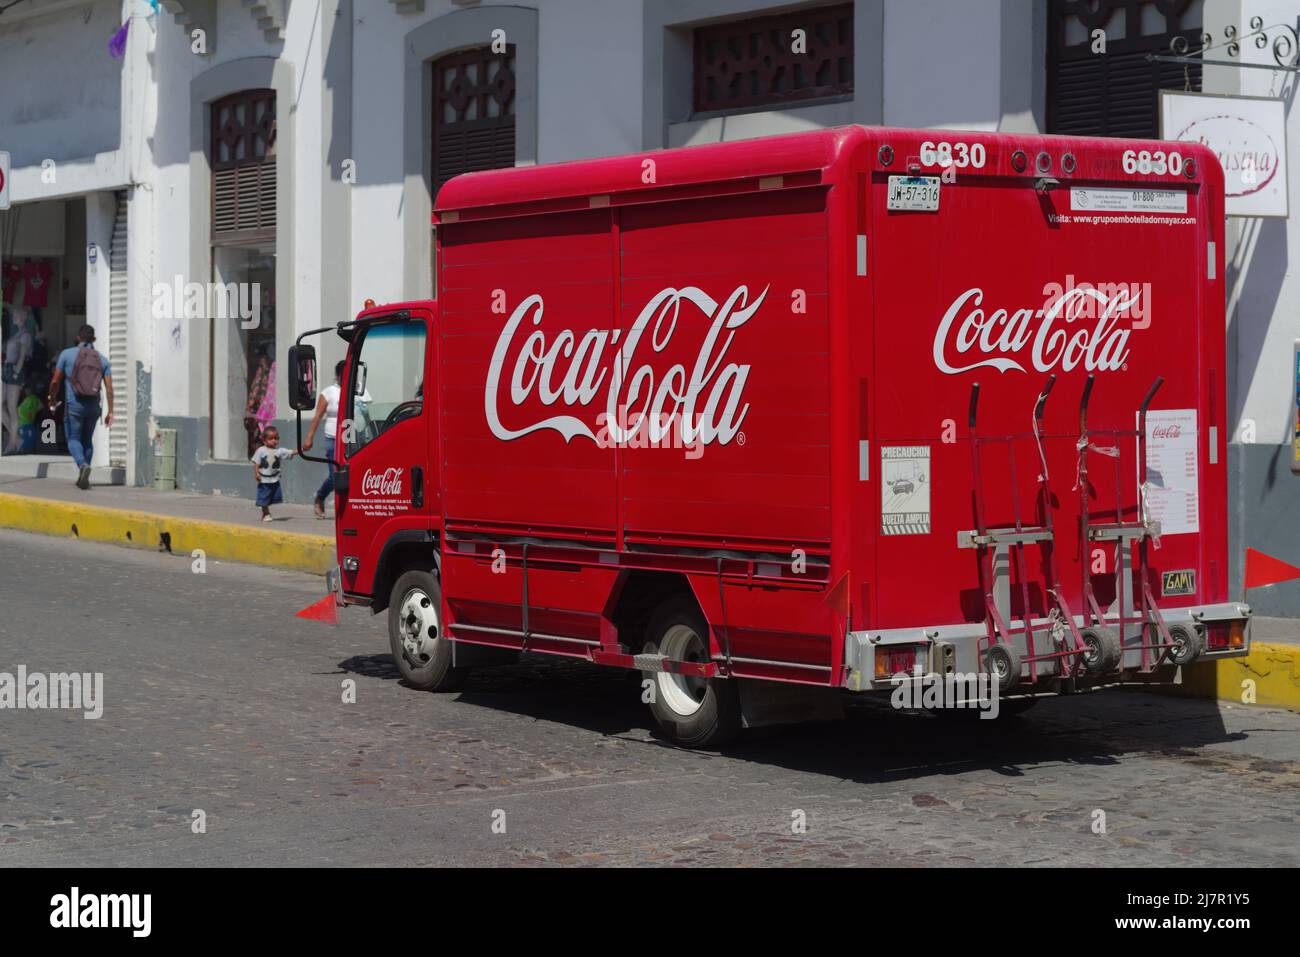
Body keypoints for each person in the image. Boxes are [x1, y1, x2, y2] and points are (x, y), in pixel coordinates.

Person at [47, 324, 114, 489]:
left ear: (78, 338)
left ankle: (83, 465)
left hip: (74, 405)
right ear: (95, 340)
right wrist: (110, 411)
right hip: (93, 407)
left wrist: (52, 398)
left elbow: (55, 380)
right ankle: (84, 477)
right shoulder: (102, 359)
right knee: (87, 440)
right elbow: (109, 388)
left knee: (73, 438)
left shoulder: (66, 354)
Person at [303, 360, 345, 520]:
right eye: (342, 373)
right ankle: (320, 496)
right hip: (333, 438)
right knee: (335, 476)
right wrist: (309, 437)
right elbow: (318, 416)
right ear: (337, 375)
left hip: (352, 439)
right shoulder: (329, 392)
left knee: (352, 475)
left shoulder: (358, 390)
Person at [2, 307, 35, 455]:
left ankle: (12, 442)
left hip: (15, 370)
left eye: (16, 315)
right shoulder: (16, 334)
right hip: (7, 369)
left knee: (11, 407)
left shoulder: (25, 335)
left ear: (22, 317)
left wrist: (16, 372)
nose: (14, 317)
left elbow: (22, 356)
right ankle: (17, 439)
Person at [250, 426, 297, 522]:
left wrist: (302, 449)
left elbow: (291, 452)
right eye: (271, 438)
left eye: (276, 438)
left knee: (274, 496)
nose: (274, 441)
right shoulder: (261, 450)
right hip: (264, 479)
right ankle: (265, 513)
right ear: (264, 440)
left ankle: (265, 507)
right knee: (263, 497)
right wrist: (257, 474)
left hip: (274, 479)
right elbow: (256, 463)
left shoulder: (279, 451)